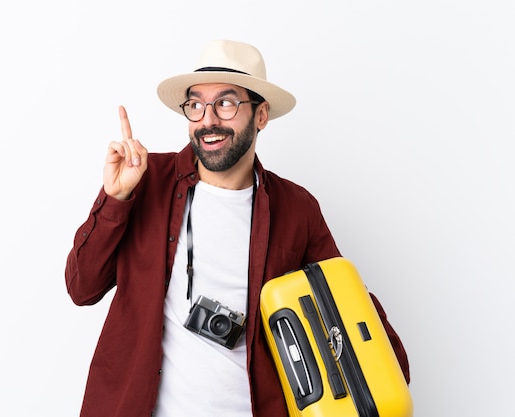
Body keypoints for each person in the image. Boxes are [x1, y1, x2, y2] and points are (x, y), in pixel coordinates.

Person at [65, 40, 410, 417]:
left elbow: (345, 304)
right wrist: (115, 199)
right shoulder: (145, 179)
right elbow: (82, 288)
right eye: (195, 104)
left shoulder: (296, 209)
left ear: (261, 115)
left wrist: (382, 372)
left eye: (226, 103)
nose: (208, 120)